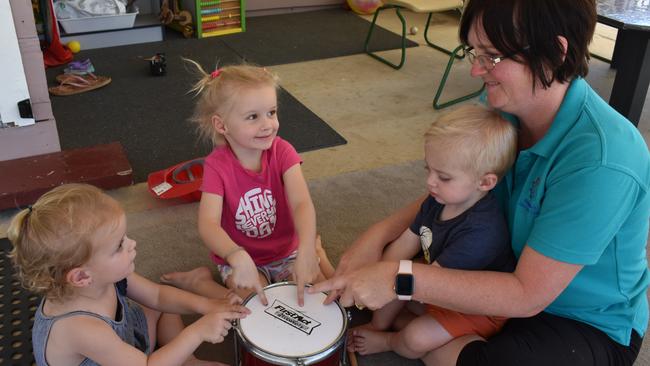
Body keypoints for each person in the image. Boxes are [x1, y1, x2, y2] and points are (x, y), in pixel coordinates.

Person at [311, 0, 650, 365]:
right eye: (475, 52)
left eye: (492, 57)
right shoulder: (507, 110)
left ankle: (432, 338)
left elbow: (526, 295)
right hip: (500, 271)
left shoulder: (602, 160)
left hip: (581, 320)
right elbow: (452, 193)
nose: (476, 69)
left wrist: (400, 278)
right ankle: (435, 335)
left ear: (554, 52)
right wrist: (376, 236)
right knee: (414, 250)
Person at [8, 183, 249, 366]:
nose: (132, 244)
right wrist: (196, 332)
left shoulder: (102, 278)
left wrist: (207, 305)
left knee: (163, 305)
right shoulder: (80, 328)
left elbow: (157, 296)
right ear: (81, 277)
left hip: (125, 344)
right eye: (118, 246)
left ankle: (188, 361)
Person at [347, 104, 517, 359]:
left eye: (444, 177)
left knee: (416, 337)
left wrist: (388, 285)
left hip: (474, 308)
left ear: (485, 182)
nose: (430, 182)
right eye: (429, 169)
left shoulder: (482, 232)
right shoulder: (437, 200)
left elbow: (429, 282)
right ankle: (380, 325)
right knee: (396, 273)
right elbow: (405, 245)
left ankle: (390, 341)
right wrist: (378, 274)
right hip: (433, 282)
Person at [161, 61, 335, 307]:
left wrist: (306, 250)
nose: (267, 124)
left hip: (287, 251)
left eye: (271, 112)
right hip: (242, 259)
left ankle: (316, 253)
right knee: (255, 306)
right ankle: (200, 282)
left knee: (317, 300)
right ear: (222, 125)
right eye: (253, 117)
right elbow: (208, 224)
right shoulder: (215, 166)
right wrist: (236, 255)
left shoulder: (283, 151)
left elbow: (301, 203)